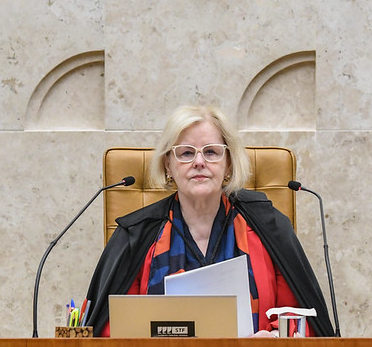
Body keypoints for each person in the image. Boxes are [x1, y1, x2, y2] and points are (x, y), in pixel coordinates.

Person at [84, 104, 335, 337]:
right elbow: (112, 330)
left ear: (228, 165)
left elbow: (297, 318)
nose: (199, 162)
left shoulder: (269, 229)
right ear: (168, 166)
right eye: (186, 153)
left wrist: (270, 338)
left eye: (212, 152)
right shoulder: (136, 236)